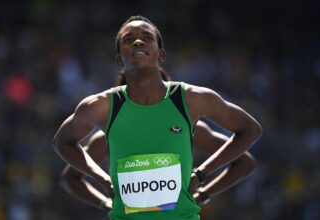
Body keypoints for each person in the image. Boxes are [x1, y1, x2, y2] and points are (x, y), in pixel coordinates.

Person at [53, 15, 262, 220]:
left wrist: (201, 179)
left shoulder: (190, 102)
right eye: (128, 39)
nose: (137, 41)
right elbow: (63, 148)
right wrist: (105, 184)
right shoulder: (103, 108)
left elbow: (249, 136)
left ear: (161, 55)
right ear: (119, 59)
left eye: (147, 37)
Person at [60, 71, 257, 213]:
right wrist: (105, 199)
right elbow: (70, 177)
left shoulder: (191, 130)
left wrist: (202, 185)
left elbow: (245, 162)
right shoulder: (105, 139)